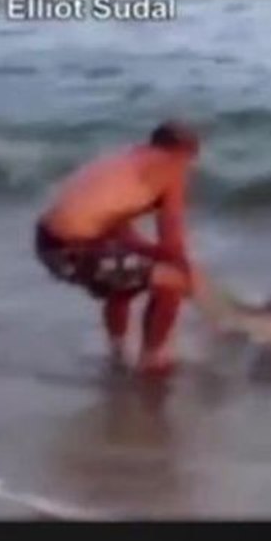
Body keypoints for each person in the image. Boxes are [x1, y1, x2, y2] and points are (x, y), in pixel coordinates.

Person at [35, 121, 200, 373]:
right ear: (184, 153)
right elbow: (173, 243)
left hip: (49, 245)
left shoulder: (122, 159)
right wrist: (189, 276)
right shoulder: (171, 167)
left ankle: (117, 353)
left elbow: (113, 225)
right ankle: (152, 361)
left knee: (127, 276)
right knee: (172, 281)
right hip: (77, 251)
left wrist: (152, 252)